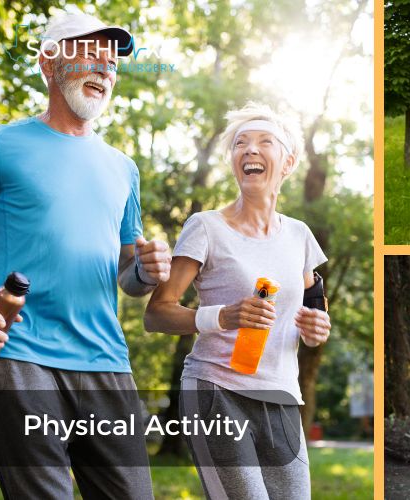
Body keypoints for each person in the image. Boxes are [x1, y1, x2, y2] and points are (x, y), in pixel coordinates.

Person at [0, 12, 171, 499]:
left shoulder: (123, 169)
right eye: (89, 52)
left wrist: (146, 273)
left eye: (112, 62)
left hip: (106, 360)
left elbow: (127, 276)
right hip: (21, 358)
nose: (105, 68)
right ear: (48, 62)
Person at [144, 102, 331, 499]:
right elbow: (157, 313)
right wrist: (222, 317)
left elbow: (314, 301)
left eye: (265, 142)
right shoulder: (206, 227)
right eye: (240, 144)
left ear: (288, 162)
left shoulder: (300, 236)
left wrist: (317, 329)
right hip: (217, 390)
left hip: (281, 396)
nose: (250, 150)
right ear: (233, 162)